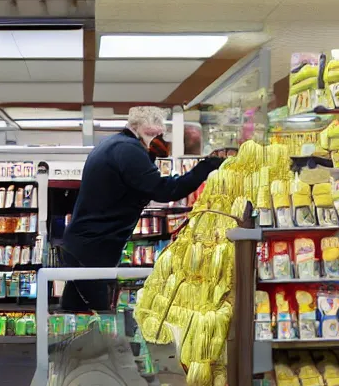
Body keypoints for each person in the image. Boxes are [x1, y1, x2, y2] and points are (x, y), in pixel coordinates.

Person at [60, 106, 223, 311]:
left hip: (82, 246)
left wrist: (151, 157)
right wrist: (206, 166)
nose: (161, 138)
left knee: (75, 311)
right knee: (101, 317)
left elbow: (134, 184)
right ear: (147, 131)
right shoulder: (128, 150)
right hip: (94, 249)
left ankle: (64, 343)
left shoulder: (113, 144)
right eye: (158, 133)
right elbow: (165, 191)